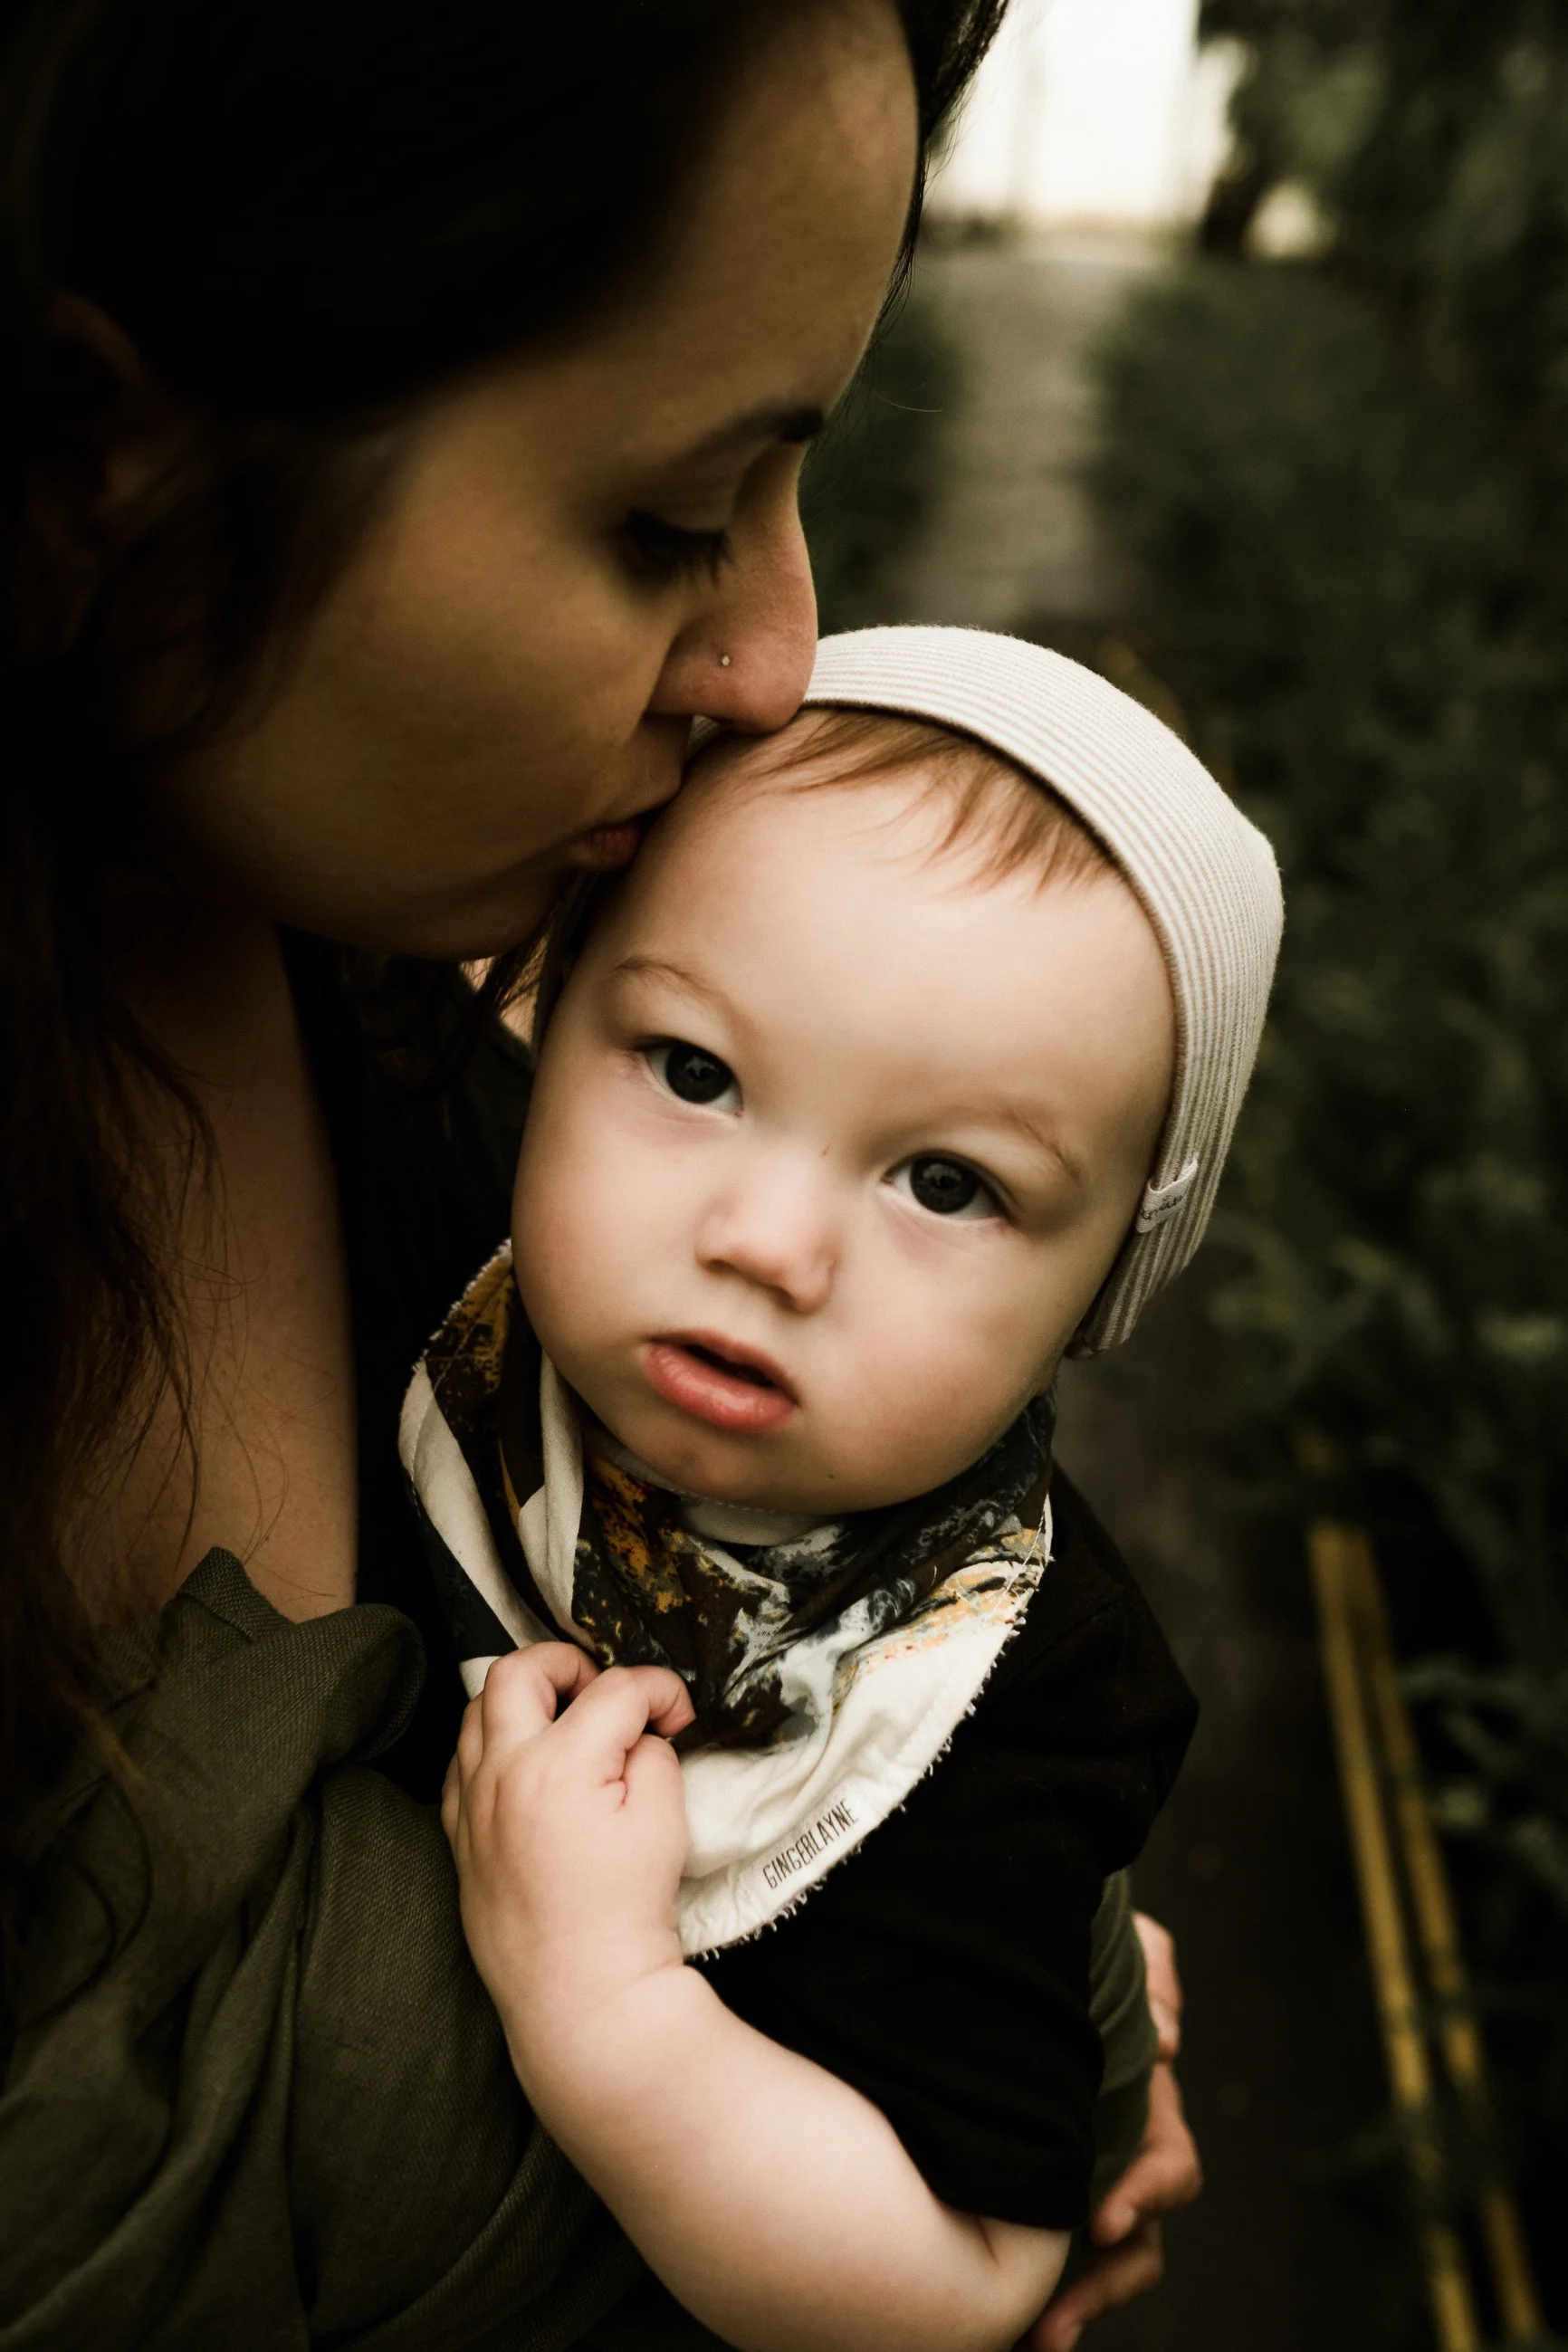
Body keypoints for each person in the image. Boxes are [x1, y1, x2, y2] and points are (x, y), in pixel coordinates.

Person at [0, 0, 1200, 2341]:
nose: (777, 651)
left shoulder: (419, 1003)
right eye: (669, 514)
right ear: (88, 470)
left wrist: (970, 1965)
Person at [413, 626, 1283, 2348]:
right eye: (693, 1072)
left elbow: (971, 2278)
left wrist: (607, 2006)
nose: (770, 1242)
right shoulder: (453, 1287)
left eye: (947, 1181)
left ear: (1098, 1294)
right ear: (545, 1009)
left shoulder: (1003, 1706)